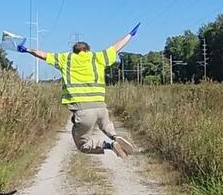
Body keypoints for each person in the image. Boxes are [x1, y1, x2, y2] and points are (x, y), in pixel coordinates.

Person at [17, 24, 140, 159]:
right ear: (88, 50)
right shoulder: (98, 57)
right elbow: (116, 47)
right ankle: (115, 137)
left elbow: (43, 55)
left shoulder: (66, 59)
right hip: (101, 107)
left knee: (83, 146)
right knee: (105, 124)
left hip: (83, 110)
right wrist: (130, 34)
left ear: (74, 50)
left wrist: (27, 49)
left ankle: (109, 145)